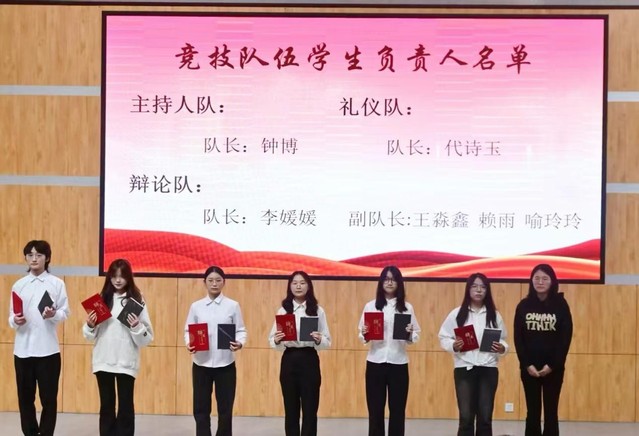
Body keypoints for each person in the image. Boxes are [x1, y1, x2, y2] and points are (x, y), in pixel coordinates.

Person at [82, 258, 154, 436]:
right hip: (103, 360)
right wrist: (90, 325)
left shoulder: (137, 301)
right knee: (106, 405)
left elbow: (146, 339)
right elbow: (89, 336)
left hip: (126, 361)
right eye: (114, 276)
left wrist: (137, 326)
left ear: (129, 277)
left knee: (125, 406)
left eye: (122, 276)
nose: (118, 280)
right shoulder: (102, 300)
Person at [8, 240, 70, 436]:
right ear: (26, 258)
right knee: (25, 399)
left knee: (49, 399)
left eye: (39, 255)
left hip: (48, 351)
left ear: (47, 258)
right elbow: (11, 316)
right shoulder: (19, 285)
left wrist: (53, 314)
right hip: (23, 351)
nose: (34, 259)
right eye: (30, 255)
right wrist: (15, 320)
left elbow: (65, 312)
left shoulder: (57, 283)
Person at [438, 273, 508, 436]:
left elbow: (504, 340)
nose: (479, 290)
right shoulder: (457, 314)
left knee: (485, 417)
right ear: (468, 289)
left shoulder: (494, 315)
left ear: (487, 291)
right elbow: (443, 337)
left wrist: (501, 348)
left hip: (488, 369)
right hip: (464, 369)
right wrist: (453, 345)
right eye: (475, 286)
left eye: (483, 287)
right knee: (466, 417)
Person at [358, 266, 420, 436]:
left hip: (398, 362)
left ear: (399, 283)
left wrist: (410, 333)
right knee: (375, 410)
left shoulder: (407, 307)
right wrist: (364, 333)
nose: (389, 282)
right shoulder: (371, 306)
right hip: (375, 362)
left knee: (398, 411)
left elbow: (416, 334)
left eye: (393, 279)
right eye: (386, 279)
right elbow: (361, 334)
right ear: (381, 282)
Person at [184, 266, 247, 436]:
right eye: (210, 280)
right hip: (201, 364)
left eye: (218, 280)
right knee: (201, 409)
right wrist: (189, 343)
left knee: (225, 409)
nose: (214, 284)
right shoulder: (196, 306)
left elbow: (241, 330)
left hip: (225, 364)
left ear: (224, 282)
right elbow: (188, 330)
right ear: (204, 282)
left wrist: (239, 343)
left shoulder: (232, 306)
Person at [268, 271, 332, 436]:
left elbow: (327, 341)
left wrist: (319, 339)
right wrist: (277, 340)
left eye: (302, 283)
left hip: (309, 359)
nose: (298, 286)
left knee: (310, 409)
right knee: (291, 409)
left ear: (308, 286)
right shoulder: (283, 310)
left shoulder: (317, 310)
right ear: (290, 286)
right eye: (295, 283)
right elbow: (272, 341)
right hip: (289, 359)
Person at [514, 264, 573, 436]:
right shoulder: (523, 305)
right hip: (529, 369)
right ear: (531, 281)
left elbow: (565, 338)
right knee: (532, 412)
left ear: (552, 281)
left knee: (551, 412)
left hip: (553, 369)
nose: (540, 282)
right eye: (537, 278)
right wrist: (527, 364)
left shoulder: (561, 305)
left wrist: (553, 365)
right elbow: (518, 338)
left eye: (545, 278)